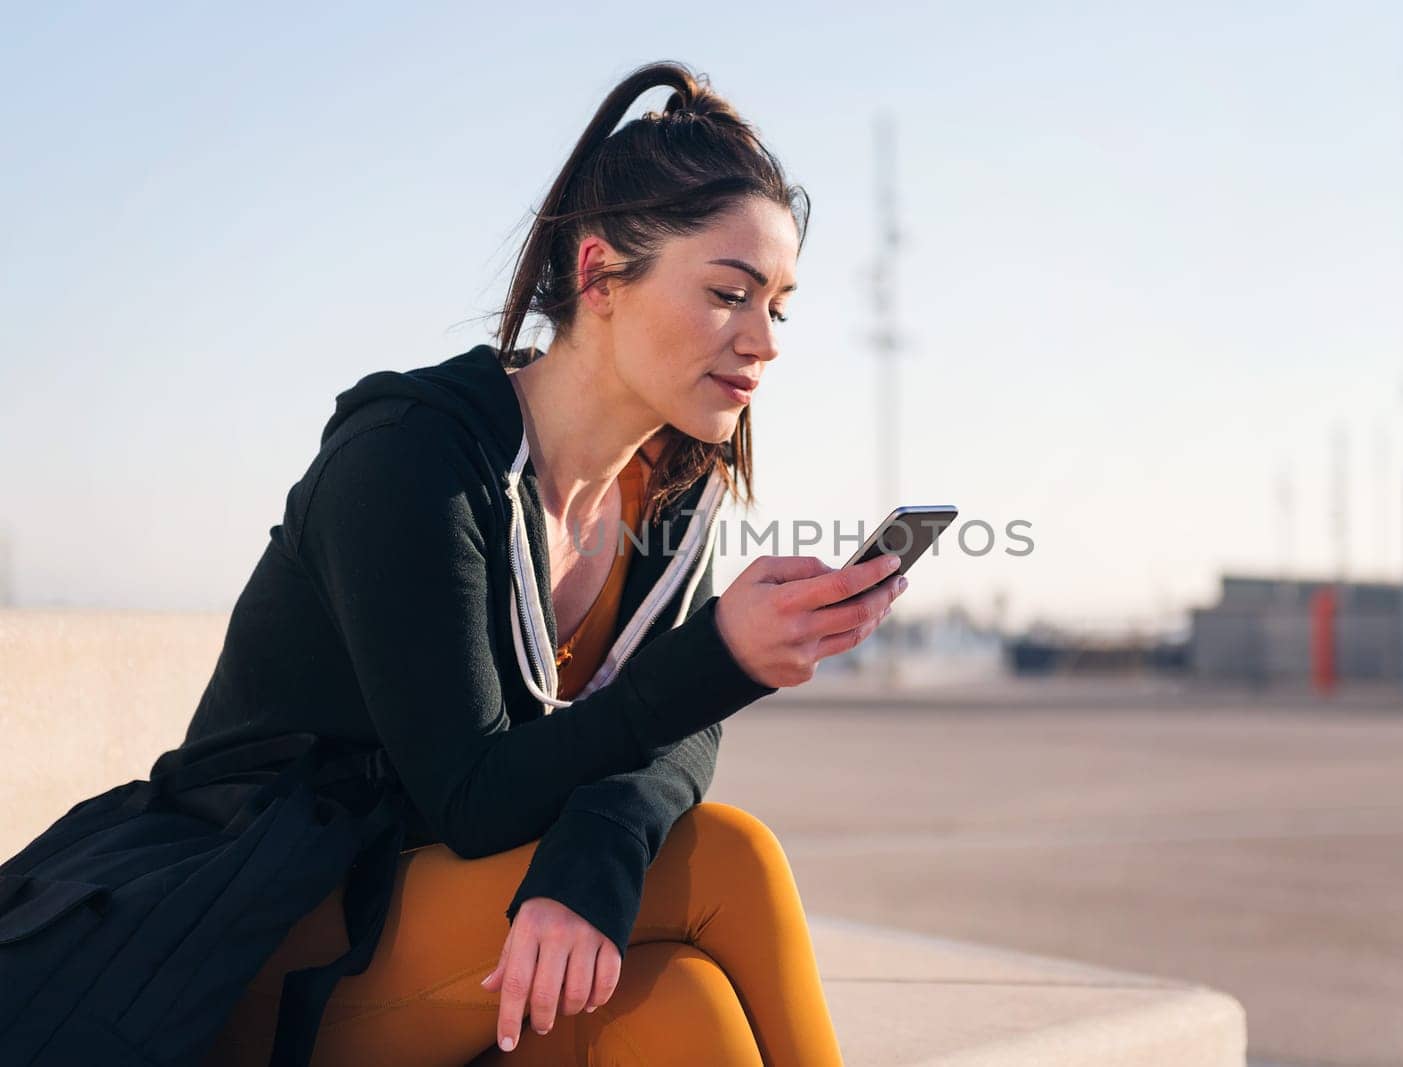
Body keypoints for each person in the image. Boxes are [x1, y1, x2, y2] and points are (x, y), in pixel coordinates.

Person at [187, 59, 909, 1066]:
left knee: (683, 1006)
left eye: (778, 304)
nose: (764, 340)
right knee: (729, 860)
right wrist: (723, 656)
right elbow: (471, 791)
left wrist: (589, 862)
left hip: (475, 915)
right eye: (728, 294)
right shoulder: (414, 458)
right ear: (598, 273)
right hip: (273, 931)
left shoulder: (671, 481)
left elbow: (674, 742)